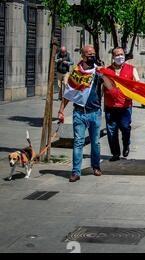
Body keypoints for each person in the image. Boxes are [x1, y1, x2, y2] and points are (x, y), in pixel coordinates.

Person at [58, 44, 113, 182]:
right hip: (79, 113)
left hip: (94, 113)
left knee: (95, 142)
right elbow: (68, 94)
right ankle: (76, 172)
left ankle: (96, 166)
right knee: (78, 142)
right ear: (82, 55)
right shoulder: (76, 72)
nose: (91, 56)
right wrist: (61, 111)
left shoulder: (97, 71)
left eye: (93, 53)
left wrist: (103, 74)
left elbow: (110, 87)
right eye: (88, 54)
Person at [103, 47, 140, 162]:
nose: (120, 57)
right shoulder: (107, 71)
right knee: (111, 130)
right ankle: (115, 153)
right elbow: (102, 86)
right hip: (111, 106)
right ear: (113, 57)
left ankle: (126, 145)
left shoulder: (131, 69)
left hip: (125, 106)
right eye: (117, 55)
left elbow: (137, 85)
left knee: (125, 127)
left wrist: (133, 94)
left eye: (121, 54)